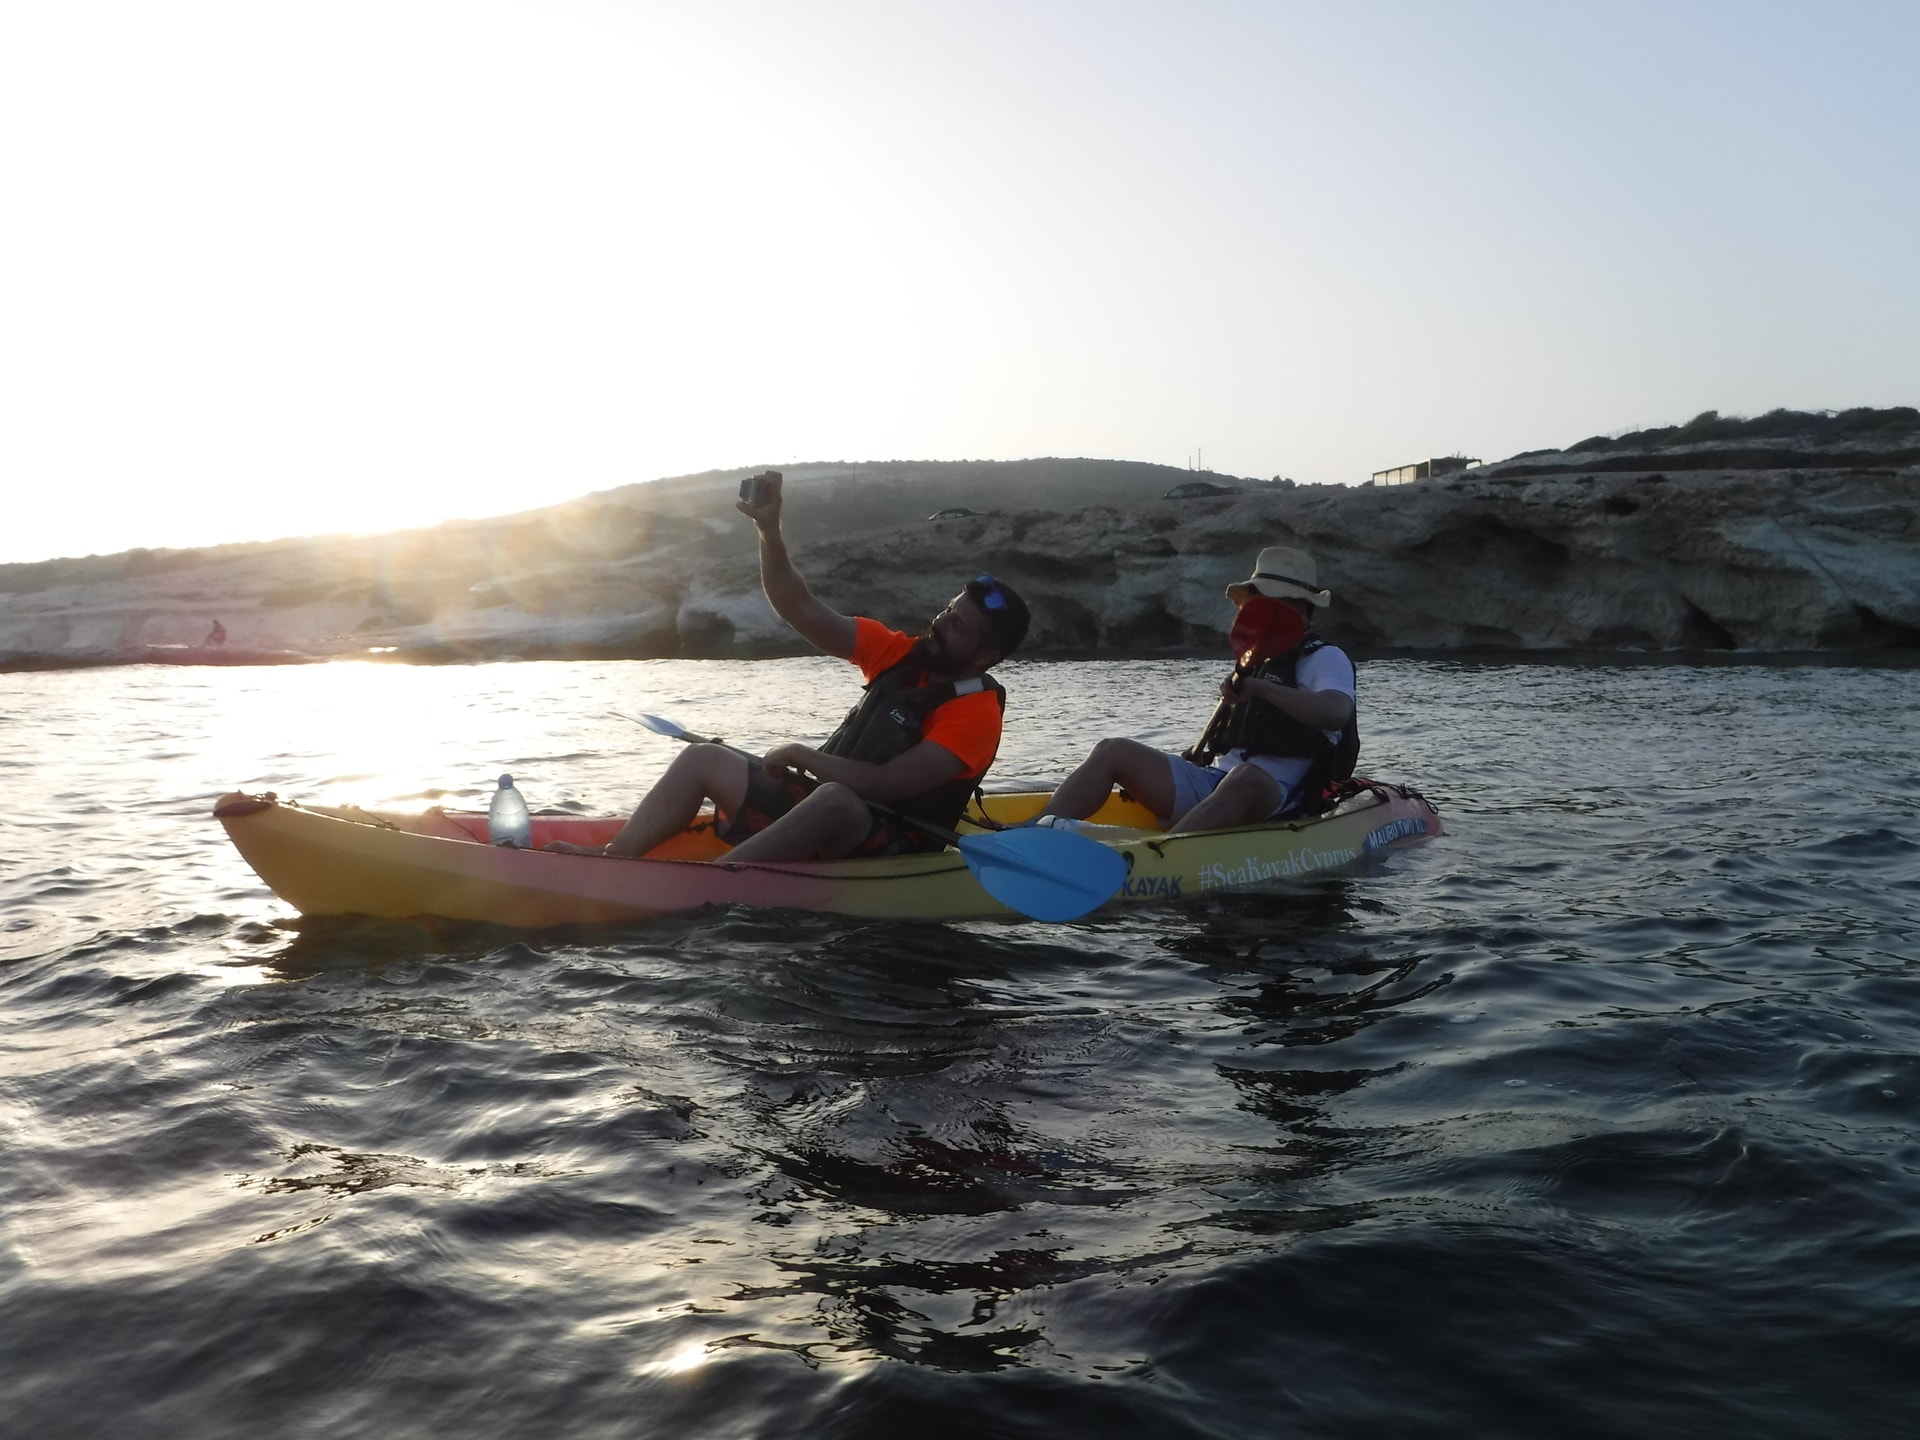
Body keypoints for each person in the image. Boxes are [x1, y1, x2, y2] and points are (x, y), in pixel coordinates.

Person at [550, 470, 1030, 863]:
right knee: (703, 757)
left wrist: (805, 756)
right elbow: (795, 603)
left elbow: (886, 785)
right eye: (947, 611)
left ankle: (716, 882)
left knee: (836, 798)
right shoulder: (898, 653)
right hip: (824, 809)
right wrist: (768, 530)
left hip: (893, 843)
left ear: (985, 656)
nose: (941, 623)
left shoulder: (976, 714)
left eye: (958, 625)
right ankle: (614, 859)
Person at [1036, 545, 1357, 832]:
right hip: (1216, 782)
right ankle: (1033, 833)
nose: (1262, 610)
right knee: (1112, 749)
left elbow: (1336, 713)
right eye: (1258, 599)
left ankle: (1165, 855)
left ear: (1301, 609)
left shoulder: (1325, 658)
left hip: (1281, 796)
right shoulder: (1259, 658)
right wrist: (1201, 755)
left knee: (1246, 776)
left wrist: (1262, 689)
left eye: (1275, 602)